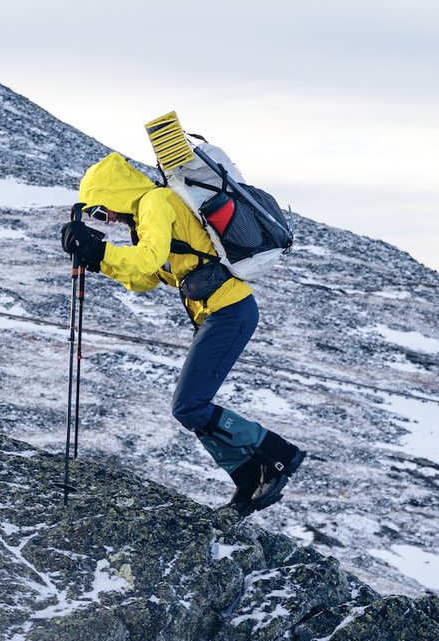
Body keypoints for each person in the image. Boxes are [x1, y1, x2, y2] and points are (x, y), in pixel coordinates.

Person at [62, 152, 305, 516]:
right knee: (191, 408)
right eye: (98, 217)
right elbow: (146, 279)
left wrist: (101, 249)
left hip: (230, 312)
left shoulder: (155, 202)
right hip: (218, 315)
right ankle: (247, 477)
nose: (105, 218)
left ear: (114, 193)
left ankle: (277, 453)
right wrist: (100, 260)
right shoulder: (144, 218)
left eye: (101, 209)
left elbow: (145, 261)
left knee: (189, 406)